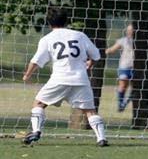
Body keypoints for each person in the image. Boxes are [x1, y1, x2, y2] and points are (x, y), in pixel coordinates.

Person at [22, 8, 108, 147]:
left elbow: (37, 60)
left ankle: (36, 131)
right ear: (67, 21)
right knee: (90, 111)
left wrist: (27, 74)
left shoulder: (47, 39)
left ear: (49, 23)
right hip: (80, 79)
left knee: (39, 104)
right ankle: (101, 139)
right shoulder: (80, 35)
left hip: (59, 79)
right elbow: (96, 54)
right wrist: (90, 63)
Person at [105, 24, 134, 112]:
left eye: (131, 30)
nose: (129, 32)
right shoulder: (123, 41)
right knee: (123, 85)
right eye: (128, 30)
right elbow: (112, 49)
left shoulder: (140, 41)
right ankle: (120, 104)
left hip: (136, 67)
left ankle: (125, 102)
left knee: (135, 88)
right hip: (124, 66)